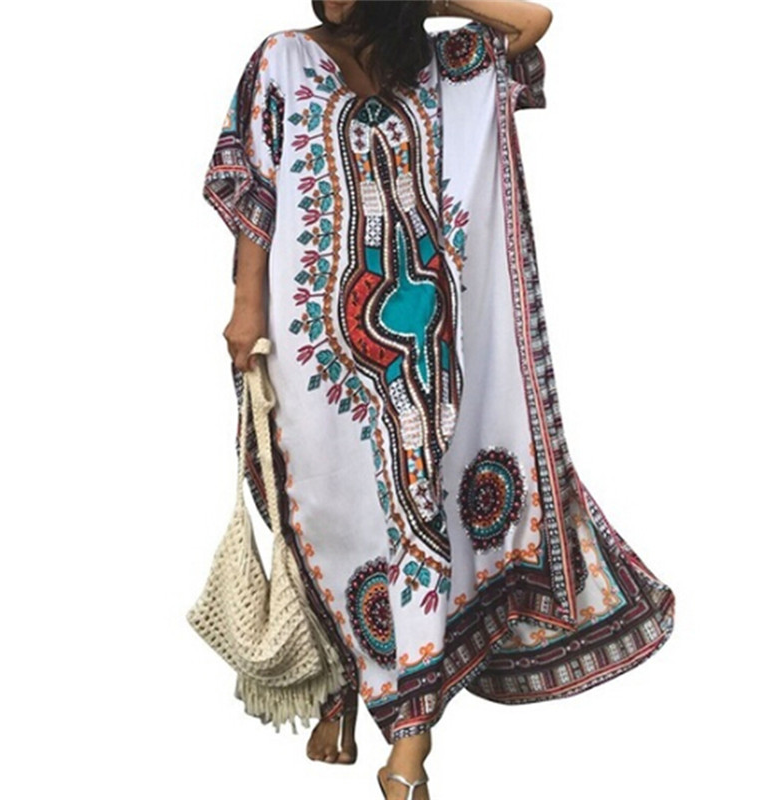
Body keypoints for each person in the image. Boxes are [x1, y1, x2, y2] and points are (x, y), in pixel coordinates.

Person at [200, 2, 676, 797]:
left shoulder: (440, 66)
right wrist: (246, 308)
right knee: (327, 517)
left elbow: (530, 22)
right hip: (314, 349)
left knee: (414, 517)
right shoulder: (281, 57)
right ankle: (340, 690)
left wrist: (429, 0)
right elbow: (253, 191)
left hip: (428, 356)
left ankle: (409, 746)